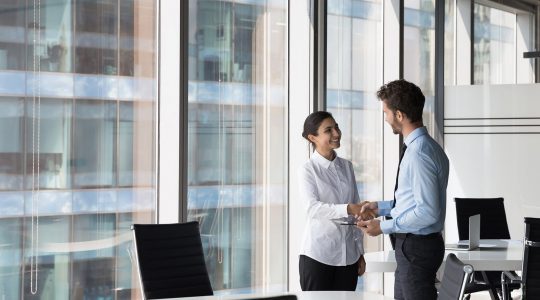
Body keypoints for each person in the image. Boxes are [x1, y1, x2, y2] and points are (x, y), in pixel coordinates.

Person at [356, 80, 449, 300]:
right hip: (414, 247)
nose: (386, 118)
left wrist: (384, 226)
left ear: (399, 115)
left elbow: (428, 212)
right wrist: (380, 207)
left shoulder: (418, 153)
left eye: (386, 113)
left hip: (417, 247)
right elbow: (414, 200)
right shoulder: (427, 147)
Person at [298, 111, 374, 291]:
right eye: (328, 130)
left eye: (337, 127)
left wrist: (359, 253)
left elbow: (357, 215)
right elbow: (313, 209)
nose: (337, 134)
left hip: (349, 258)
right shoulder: (308, 170)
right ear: (312, 137)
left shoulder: (347, 166)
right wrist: (348, 208)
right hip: (318, 257)